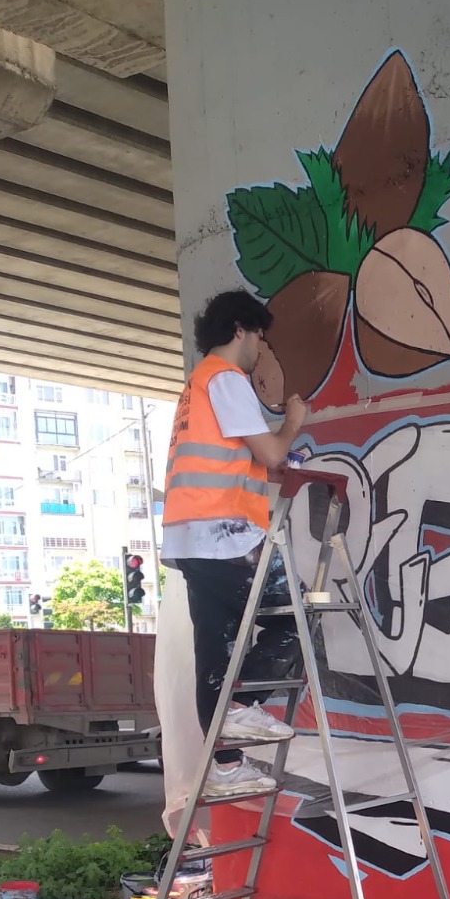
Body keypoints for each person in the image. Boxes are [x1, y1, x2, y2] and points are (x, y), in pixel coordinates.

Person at [161, 289, 308, 800]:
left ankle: (224, 765)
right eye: (260, 337)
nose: (260, 350)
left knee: (217, 648)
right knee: (299, 616)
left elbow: (245, 458)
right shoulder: (226, 379)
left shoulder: (196, 387)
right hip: (223, 534)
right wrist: (292, 423)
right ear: (240, 329)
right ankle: (240, 710)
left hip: (192, 536)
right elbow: (270, 451)